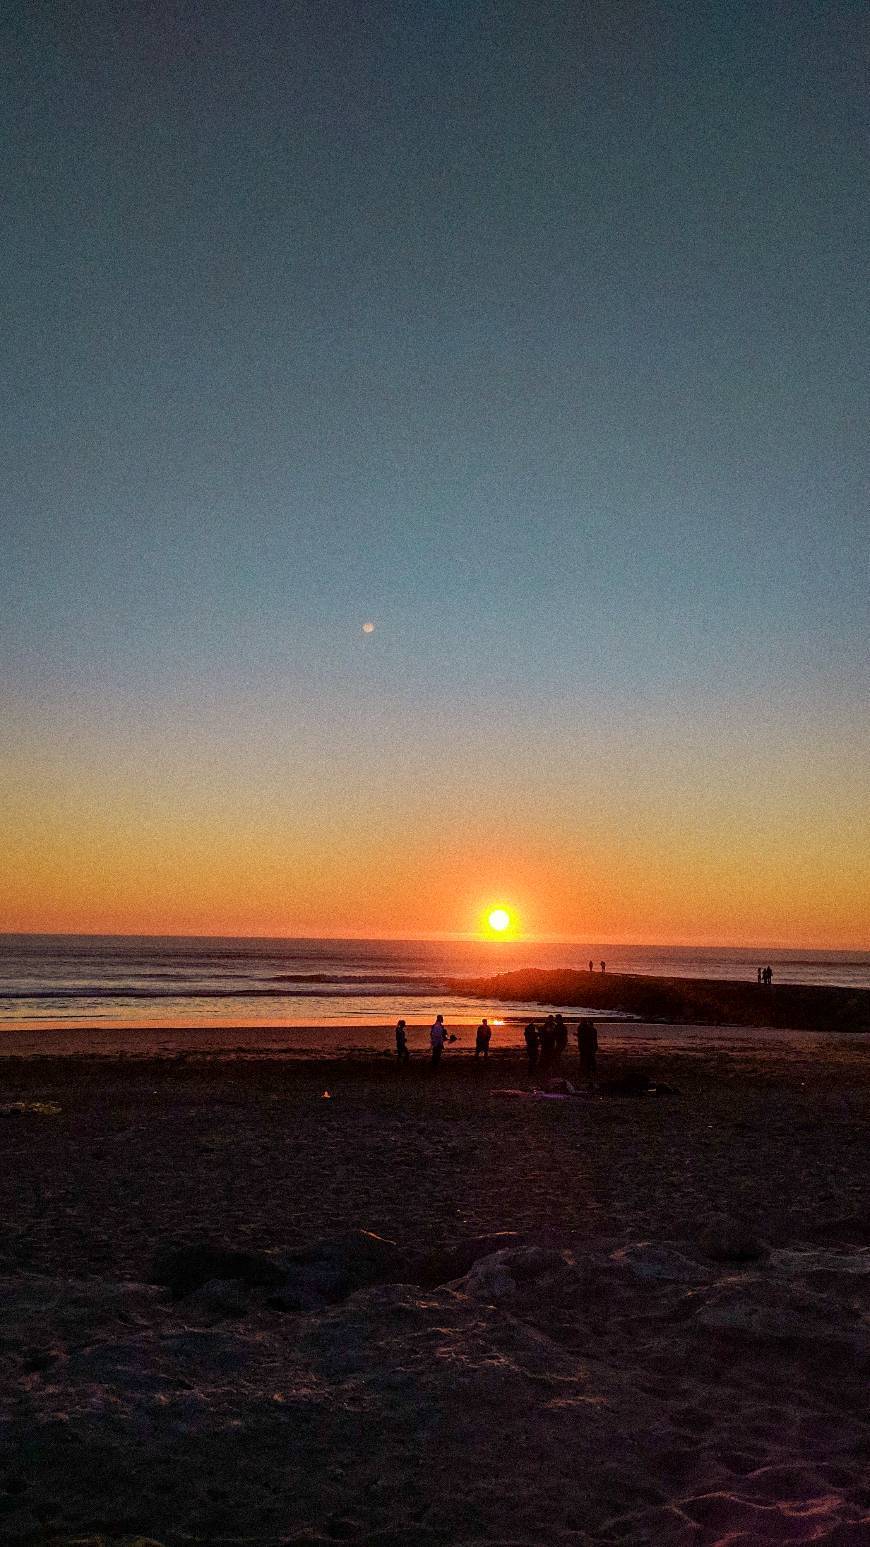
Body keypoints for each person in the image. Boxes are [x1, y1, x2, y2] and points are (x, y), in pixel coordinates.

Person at [576, 1018, 598, 1084]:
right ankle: (590, 1069)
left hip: (586, 1046)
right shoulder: (591, 1030)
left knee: (586, 1058)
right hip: (588, 1046)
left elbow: (584, 1037)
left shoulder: (586, 1029)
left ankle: (587, 1070)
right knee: (589, 1058)